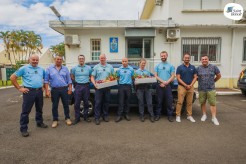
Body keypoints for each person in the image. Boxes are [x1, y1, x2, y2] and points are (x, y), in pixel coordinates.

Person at [10, 54, 48, 137]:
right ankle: (23, 129)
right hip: (28, 92)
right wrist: (20, 88)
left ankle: (39, 122)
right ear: (29, 60)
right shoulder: (24, 68)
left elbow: (45, 79)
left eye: (36, 60)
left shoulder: (41, 69)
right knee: (25, 111)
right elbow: (12, 77)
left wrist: (44, 88)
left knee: (39, 109)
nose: (35, 61)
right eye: (33, 59)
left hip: (39, 92)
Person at [44, 55, 73, 128]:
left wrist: (70, 89)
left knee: (66, 105)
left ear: (62, 60)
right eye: (57, 59)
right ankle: (55, 120)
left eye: (60, 59)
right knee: (54, 106)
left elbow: (69, 80)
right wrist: (47, 91)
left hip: (64, 89)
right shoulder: (49, 69)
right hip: (54, 90)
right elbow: (46, 80)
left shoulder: (65, 69)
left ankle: (67, 118)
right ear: (55, 59)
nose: (59, 60)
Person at [197, 55, 221, 125]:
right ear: (201, 61)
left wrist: (213, 81)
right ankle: (204, 115)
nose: (204, 60)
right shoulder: (198, 68)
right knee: (202, 102)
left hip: (211, 88)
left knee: (212, 103)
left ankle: (214, 118)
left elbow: (219, 75)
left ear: (208, 60)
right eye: (203, 59)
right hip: (201, 89)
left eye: (205, 59)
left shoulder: (214, 67)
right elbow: (196, 77)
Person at [91, 54, 114, 125]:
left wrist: (112, 81)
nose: (102, 59)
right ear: (99, 59)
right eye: (101, 58)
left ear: (105, 58)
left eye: (103, 58)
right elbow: (92, 77)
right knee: (98, 103)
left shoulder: (110, 67)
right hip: (98, 88)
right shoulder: (96, 67)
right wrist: (94, 84)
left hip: (107, 87)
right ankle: (97, 117)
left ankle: (105, 115)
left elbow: (113, 77)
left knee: (106, 102)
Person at [176, 53, 197, 123]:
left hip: (190, 87)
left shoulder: (193, 67)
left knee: (189, 102)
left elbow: (195, 77)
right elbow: (178, 78)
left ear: (189, 58)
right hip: (182, 87)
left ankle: (189, 116)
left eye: (188, 58)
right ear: (183, 58)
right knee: (180, 102)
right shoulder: (179, 67)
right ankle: (178, 116)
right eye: (185, 58)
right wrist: (185, 85)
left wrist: (190, 85)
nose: (187, 59)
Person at [70, 54, 92, 125]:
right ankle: (77, 118)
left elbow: (91, 76)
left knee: (86, 102)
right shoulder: (74, 68)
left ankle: (86, 117)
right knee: (77, 103)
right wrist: (75, 84)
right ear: (78, 60)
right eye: (80, 58)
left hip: (86, 86)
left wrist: (88, 82)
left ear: (84, 59)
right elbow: (72, 76)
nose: (81, 60)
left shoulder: (88, 68)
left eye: (82, 58)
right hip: (78, 86)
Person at [154, 51, 175, 122]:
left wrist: (166, 82)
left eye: (164, 56)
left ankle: (170, 115)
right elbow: (156, 75)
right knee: (159, 101)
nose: (163, 57)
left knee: (169, 101)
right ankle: (157, 115)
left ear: (167, 56)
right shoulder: (157, 66)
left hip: (168, 85)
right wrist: (163, 82)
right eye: (162, 56)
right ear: (160, 57)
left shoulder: (171, 66)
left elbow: (173, 76)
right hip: (159, 85)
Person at [135, 58, 155, 122]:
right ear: (139, 63)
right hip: (139, 89)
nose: (143, 64)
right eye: (142, 63)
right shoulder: (136, 72)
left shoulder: (147, 72)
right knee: (141, 103)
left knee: (149, 103)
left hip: (147, 88)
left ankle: (151, 115)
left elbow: (150, 80)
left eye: (144, 63)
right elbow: (135, 82)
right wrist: (136, 82)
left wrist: (150, 80)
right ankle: (142, 116)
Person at [115, 57, 134, 122]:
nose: (124, 62)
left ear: (127, 61)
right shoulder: (119, 69)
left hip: (128, 86)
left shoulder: (131, 69)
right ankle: (119, 115)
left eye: (125, 61)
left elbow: (132, 77)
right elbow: (117, 77)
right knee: (120, 101)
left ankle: (126, 114)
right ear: (121, 62)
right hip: (121, 86)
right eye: (123, 61)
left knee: (127, 101)